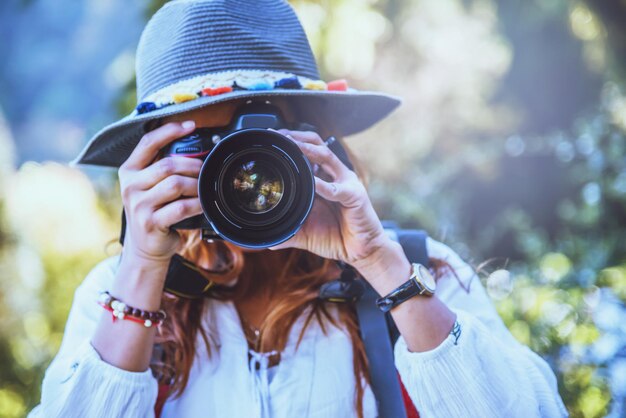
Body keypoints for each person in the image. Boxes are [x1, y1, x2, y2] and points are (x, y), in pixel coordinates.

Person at [29, 0, 568, 417]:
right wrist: (143, 272)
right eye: (204, 145)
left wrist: (381, 265)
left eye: (260, 138)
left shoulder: (416, 270)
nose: (238, 169)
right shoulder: (115, 293)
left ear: (314, 138)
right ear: (153, 158)